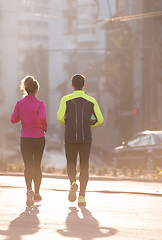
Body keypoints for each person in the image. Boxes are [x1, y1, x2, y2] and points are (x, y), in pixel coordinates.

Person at [57, 74, 104, 206]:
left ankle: (73, 183)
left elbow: (60, 118)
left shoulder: (65, 99)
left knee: (71, 163)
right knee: (84, 166)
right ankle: (82, 197)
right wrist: (90, 123)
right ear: (84, 85)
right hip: (86, 138)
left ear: (72, 85)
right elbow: (100, 120)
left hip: (70, 137)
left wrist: (68, 122)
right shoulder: (91, 100)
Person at [11, 75, 47, 207]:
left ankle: (28, 190)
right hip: (38, 138)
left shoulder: (20, 104)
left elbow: (13, 119)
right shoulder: (40, 104)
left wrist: (23, 115)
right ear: (36, 90)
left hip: (25, 138)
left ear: (25, 90)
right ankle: (37, 193)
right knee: (37, 165)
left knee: (28, 165)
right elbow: (43, 119)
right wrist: (44, 127)